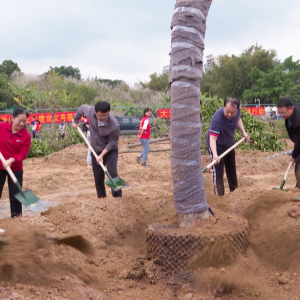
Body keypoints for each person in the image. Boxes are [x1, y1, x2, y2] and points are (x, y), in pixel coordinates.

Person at [72, 101, 122, 198]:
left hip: (110, 150)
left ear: (108, 112)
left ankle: (117, 197)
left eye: (105, 115)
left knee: (112, 172)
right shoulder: (90, 111)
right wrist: (76, 121)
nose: (102, 118)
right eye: (100, 116)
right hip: (95, 149)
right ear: (95, 112)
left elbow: (112, 142)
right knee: (98, 175)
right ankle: (101, 197)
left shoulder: (114, 125)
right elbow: (81, 108)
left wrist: (102, 155)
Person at [206, 97, 250, 196]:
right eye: (227, 111)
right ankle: (219, 196)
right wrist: (215, 154)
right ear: (224, 107)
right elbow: (212, 139)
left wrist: (244, 132)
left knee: (231, 169)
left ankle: (234, 193)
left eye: (232, 112)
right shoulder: (217, 118)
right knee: (218, 171)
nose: (229, 114)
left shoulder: (237, 112)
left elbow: (238, 119)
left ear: (237, 110)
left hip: (229, 144)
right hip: (217, 146)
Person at [0, 107, 31, 218]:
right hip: (0, 167)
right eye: (20, 120)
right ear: (12, 118)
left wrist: (11, 160)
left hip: (16, 169)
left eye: (24, 121)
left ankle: (16, 220)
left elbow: (22, 154)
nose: (22, 124)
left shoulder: (26, 136)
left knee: (16, 196)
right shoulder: (2, 127)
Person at [277, 97, 300, 188]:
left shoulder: (298, 120)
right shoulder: (291, 114)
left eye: (283, 113)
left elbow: (299, 141)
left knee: (299, 162)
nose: (281, 115)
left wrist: (294, 156)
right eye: (279, 113)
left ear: (291, 109)